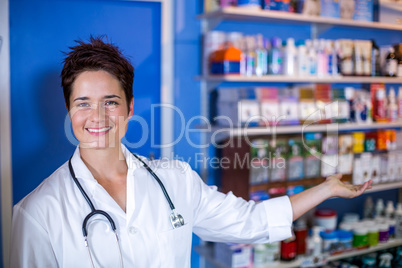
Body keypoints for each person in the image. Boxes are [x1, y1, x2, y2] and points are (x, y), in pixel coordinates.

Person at [10, 36, 372, 268]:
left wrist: (326, 188)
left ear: (130, 107)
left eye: (110, 102)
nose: (98, 117)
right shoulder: (38, 212)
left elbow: (251, 221)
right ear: (68, 110)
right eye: (83, 103)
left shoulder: (175, 179)